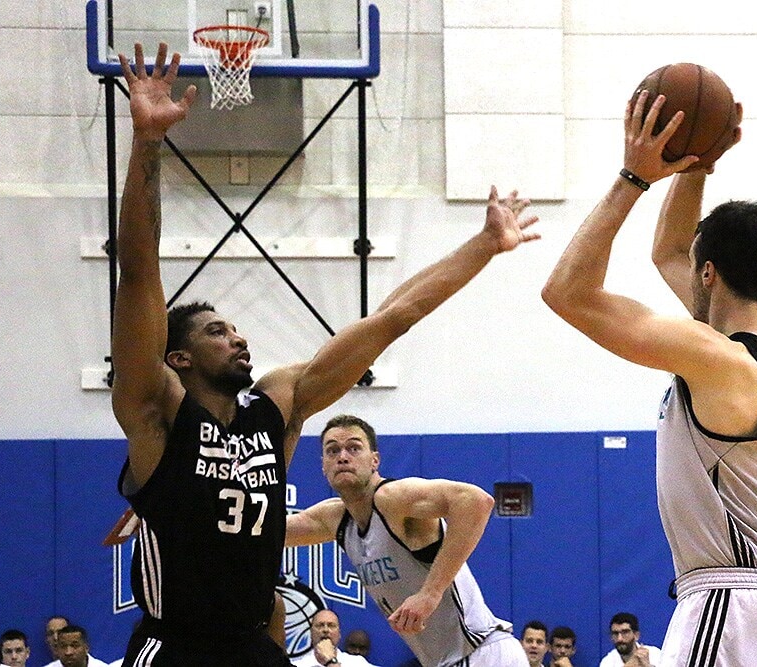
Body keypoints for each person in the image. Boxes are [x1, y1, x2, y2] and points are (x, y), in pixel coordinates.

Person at [111, 43, 539, 667]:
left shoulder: (279, 405)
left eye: (236, 328)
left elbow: (392, 318)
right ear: (177, 358)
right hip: (173, 643)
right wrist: (147, 142)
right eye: (216, 331)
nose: (239, 338)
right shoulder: (156, 413)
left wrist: (482, 245)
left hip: (252, 643)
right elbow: (140, 270)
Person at [542, 91, 757, 666]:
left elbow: (566, 293)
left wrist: (633, 178)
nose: (683, 271)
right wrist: (698, 166)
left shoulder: (718, 359)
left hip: (727, 602)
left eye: (696, 267)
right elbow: (669, 250)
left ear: (708, 273)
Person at [284, 415, 530, 667]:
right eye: (332, 450)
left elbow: (476, 501)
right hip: (447, 660)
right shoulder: (335, 518)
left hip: (480, 652)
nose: (343, 456)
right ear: (323, 466)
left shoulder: (392, 498)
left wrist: (430, 594)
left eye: (354, 448)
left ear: (375, 460)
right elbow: (264, 532)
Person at [290, 609, 374, 667]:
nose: (325, 630)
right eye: (320, 625)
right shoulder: (298, 665)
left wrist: (331, 661)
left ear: (339, 634)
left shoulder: (357, 663)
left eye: (331, 626)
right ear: (311, 633)